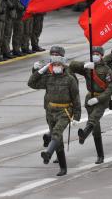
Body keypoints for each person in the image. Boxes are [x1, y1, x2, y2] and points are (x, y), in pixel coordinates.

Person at [28, 47, 81, 176]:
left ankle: (48, 153)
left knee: (56, 133)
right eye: (54, 64)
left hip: (64, 111)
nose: (56, 66)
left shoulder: (70, 79)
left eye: (58, 64)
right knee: (57, 139)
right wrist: (41, 70)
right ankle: (63, 167)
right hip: (50, 111)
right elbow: (31, 83)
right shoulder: (49, 78)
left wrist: (77, 116)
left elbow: (76, 97)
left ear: (63, 65)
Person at [69, 46, 112, 164]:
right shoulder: (88, 68)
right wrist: (84, 65)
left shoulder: (106, 70)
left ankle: (84, 133)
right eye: (93, 54)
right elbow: (72, 65)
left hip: (102, 99)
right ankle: (100, 155)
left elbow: (110, 89)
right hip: (90, 98)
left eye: (97, 54)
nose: (95, 56)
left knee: (93, 119)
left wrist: (98, 99)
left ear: (101, 56)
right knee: (96, 127)